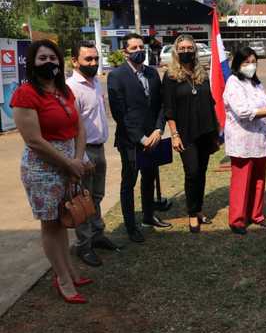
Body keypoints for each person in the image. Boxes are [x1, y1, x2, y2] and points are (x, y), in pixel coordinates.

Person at [11, 40, 93, 303]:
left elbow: (80, 128)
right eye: (42, 59)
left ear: (60, 61)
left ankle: (69, 270)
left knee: (65, 221)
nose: (49, 63)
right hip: (42, 169)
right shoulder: (25, 94)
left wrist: (78, 160)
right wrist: (69, 164)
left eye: (53, 58)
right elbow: (34, 140)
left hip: (70, 162)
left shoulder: (64, 91)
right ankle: (63, 279)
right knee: (52, 225)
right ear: (32, 63)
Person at [107, 33, 169, 244]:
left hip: (154, 137)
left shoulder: (152, 73)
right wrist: (141, 138)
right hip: (131, 141)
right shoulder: (116, 76)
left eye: (140, 46)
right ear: (125, 52)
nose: (138, 51)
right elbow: (119, 113)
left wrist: (159, 131)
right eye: (133, 48)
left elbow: (161, 105)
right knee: (129, 182)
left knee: (150, 177)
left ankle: (148, 216)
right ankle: (131, 226)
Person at [224, 47, 266, 235]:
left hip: (259, 140)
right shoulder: (233, 83)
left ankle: (256, 214)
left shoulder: (256, 84)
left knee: (259, 179)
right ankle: (237, 219)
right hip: (242, 140)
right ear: (237, 64)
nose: (251, 66)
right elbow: (243, 112)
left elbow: (264, 108)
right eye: (246, 62)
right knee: (241, 181)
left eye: (254, 62)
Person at [67, 40, 120, 266]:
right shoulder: (71, 89)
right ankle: (84, 246)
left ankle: (98, 236)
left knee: (96, 197)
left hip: (99, 149)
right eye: (88, 59)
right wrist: (82, 158)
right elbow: (70, 128)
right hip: (84, 153)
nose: (93, 63)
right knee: (83, 201)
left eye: (96, 58)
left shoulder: (96, 83)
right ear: (74, 61)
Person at [163, 34, 219, 233]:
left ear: (194, 50)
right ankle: (192, 213)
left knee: (201, 172)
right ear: (176, 51)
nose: (186, 51)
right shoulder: (170, 76)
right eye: (182, 48)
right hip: (185, 133)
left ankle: (199, 208)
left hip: (205, 129)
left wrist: (215, 129)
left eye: (189, 48)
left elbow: (210, 101)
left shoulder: (202, 73)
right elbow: (168, 108)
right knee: (192, 172)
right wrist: (174, 134)